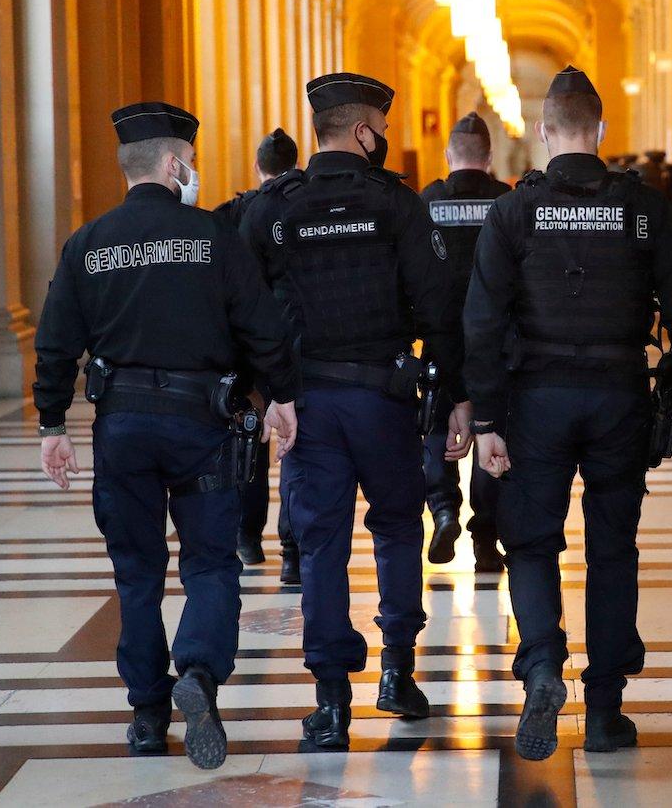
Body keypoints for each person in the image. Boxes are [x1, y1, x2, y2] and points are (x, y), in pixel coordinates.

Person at [463, 66, 672, 761]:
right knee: (612, 548)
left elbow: (482, 322)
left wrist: (487, 420)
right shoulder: (644, 209)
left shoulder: (514, 211)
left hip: (537, 400)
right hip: (618, 395)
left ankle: (544, 666)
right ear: (602, 131)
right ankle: (606, 710)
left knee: (531, 540)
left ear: (546, 132)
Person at [32, 102, 300, 770]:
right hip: (199, 425)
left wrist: (51, 424)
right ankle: (200, 676)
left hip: (122, 429)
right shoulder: (214, 238)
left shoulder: (88, 243)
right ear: (176, 164)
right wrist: (282, 396)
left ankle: (149, 715)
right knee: (211, 562)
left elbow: (56, 341)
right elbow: (263, 327)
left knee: (137, 574)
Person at [241, 72, 472, 749]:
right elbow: (437, 307)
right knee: (398, 528)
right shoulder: (396, 204)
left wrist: (269, 393)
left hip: (309, 402)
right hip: (383, 398)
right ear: (364, 131)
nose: (386, 139)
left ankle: (331, 700)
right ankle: (397, 671)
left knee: (321, 544)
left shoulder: (274, 208)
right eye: (382, 127)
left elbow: (248, 310)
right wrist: (456, 392)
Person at [419, 111, 511, 571]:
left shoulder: (428, 201)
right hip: (495, 344)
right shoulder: (507, 201)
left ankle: (443, 509)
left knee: (437, 429)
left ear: (448, 155)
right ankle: (485, 541)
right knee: (491, 431)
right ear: (489, 157)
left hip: (441, 340)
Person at [218, 128, 303, 580]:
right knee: (295, 448)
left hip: (248, 350)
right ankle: (291, 548)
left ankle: (248, 537)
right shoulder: (305, 204)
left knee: (250, 443)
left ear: (257, 167)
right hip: (294, 345)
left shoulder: (232, 214)